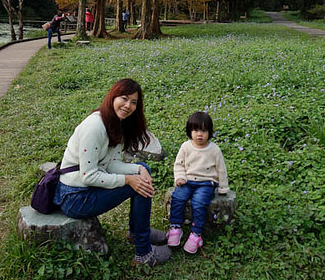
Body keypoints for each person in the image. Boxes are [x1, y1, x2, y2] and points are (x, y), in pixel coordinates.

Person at [53, 78, 171, 266]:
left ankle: (136, 233)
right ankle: (143, 253)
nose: (128, 106)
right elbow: (88, 175)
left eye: (134, 102)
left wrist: (139, 169)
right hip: (74, 197)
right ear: (112, 97)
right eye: (124, 99)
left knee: (143, 171)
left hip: (85, 190)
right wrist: (127, 180)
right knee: (135, 185)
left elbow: (111, 164)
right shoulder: (95, 127)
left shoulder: (115, 122)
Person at [167, 111, 229, 254]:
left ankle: (196, 234)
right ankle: (175, 227)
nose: (199, 134)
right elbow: (179, 164)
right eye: (195, 130)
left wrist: (223, 187)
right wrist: (180, 177)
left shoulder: (214, 149)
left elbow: (221, 169)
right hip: (187, 180)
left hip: (206, 183)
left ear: (209, 132)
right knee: (178, 197)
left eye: (203, 130)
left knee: (199, 202)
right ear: (190, 131)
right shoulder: (186, 147)